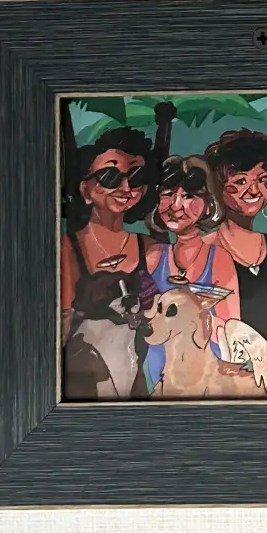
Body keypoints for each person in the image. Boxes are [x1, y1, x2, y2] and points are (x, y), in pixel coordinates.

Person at [59, 127, 160, 399]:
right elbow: (61, 329)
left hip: (137, 377)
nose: (126, 188)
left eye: (136, 177)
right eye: (110, 176)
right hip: (85, 380)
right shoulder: (69, 248)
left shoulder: (150, 247)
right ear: (85, 188)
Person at [143, 155, 237, 390]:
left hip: (207, 379)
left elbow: (230, 331)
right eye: (167, 194)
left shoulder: (219, 259)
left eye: (188, 196)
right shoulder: (154, 257)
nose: (175, 206)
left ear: (208, 203)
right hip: (157, 374)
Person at [204, 130, 267, 349]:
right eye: (240, 181)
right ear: (217, 187)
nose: (254, 190)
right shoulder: (205, 247)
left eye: (262, 180)